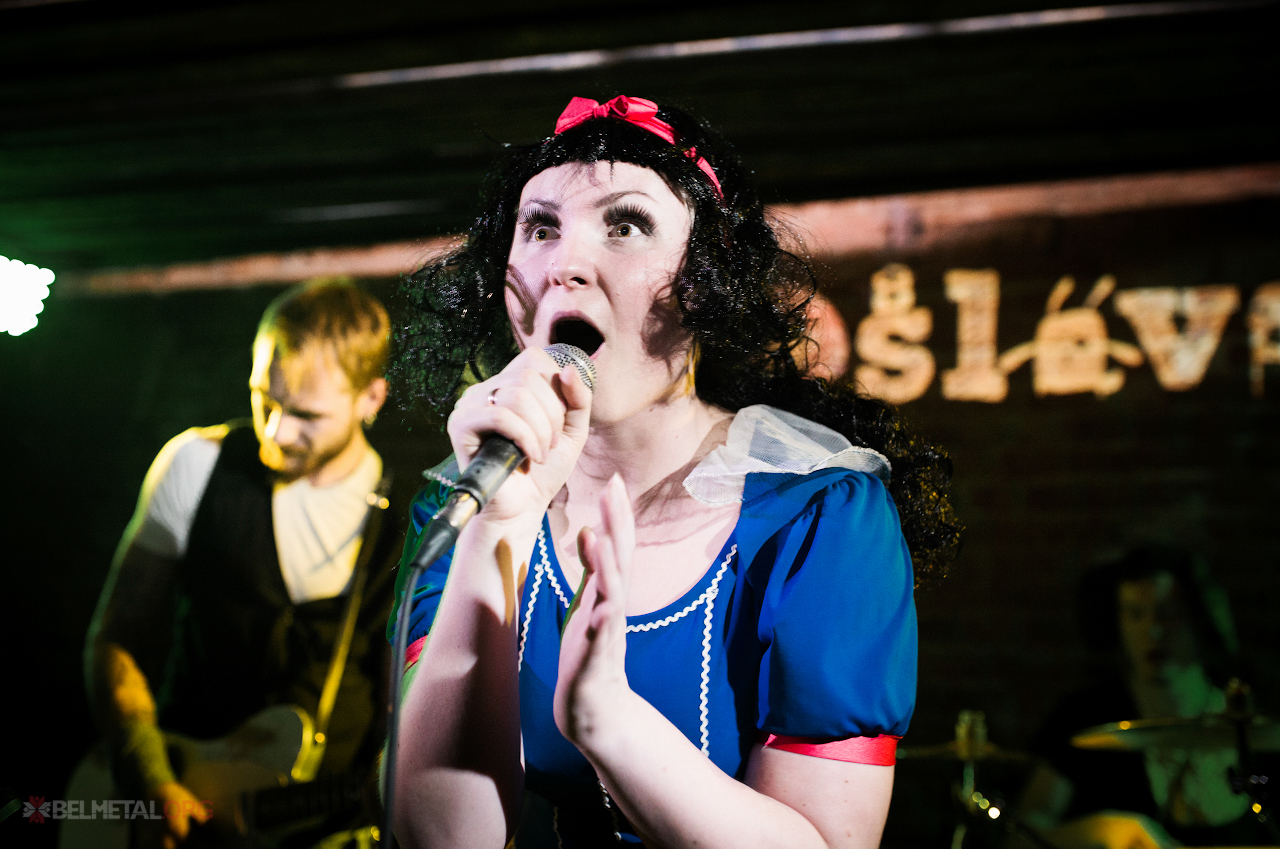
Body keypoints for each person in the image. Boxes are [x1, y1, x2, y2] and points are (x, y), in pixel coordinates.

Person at [387, 95, 962, 849]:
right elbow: (441, 838)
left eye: (625, 225)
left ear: (706, 279)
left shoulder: (818, 514)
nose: (565, 265)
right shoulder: (461, 504)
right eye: (540, 228)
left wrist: (609, 722)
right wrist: (500, 525)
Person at [80, 279, 408, 848]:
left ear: (371, 399)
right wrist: (146, 772)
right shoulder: (197, 462)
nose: (276, 431)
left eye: (306, 414)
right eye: (264, 399)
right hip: (180, 802)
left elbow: (399, 708)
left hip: (323, 830)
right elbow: (118, 636)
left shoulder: (407, 523)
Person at [1018, 545, 1268, 849]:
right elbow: (1023, 834)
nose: (1153, 631)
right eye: (1135, 614)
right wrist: (1107, 831)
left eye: (1169, 614)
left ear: (1199, 615)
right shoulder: (1084, 714)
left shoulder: (1257, 721)